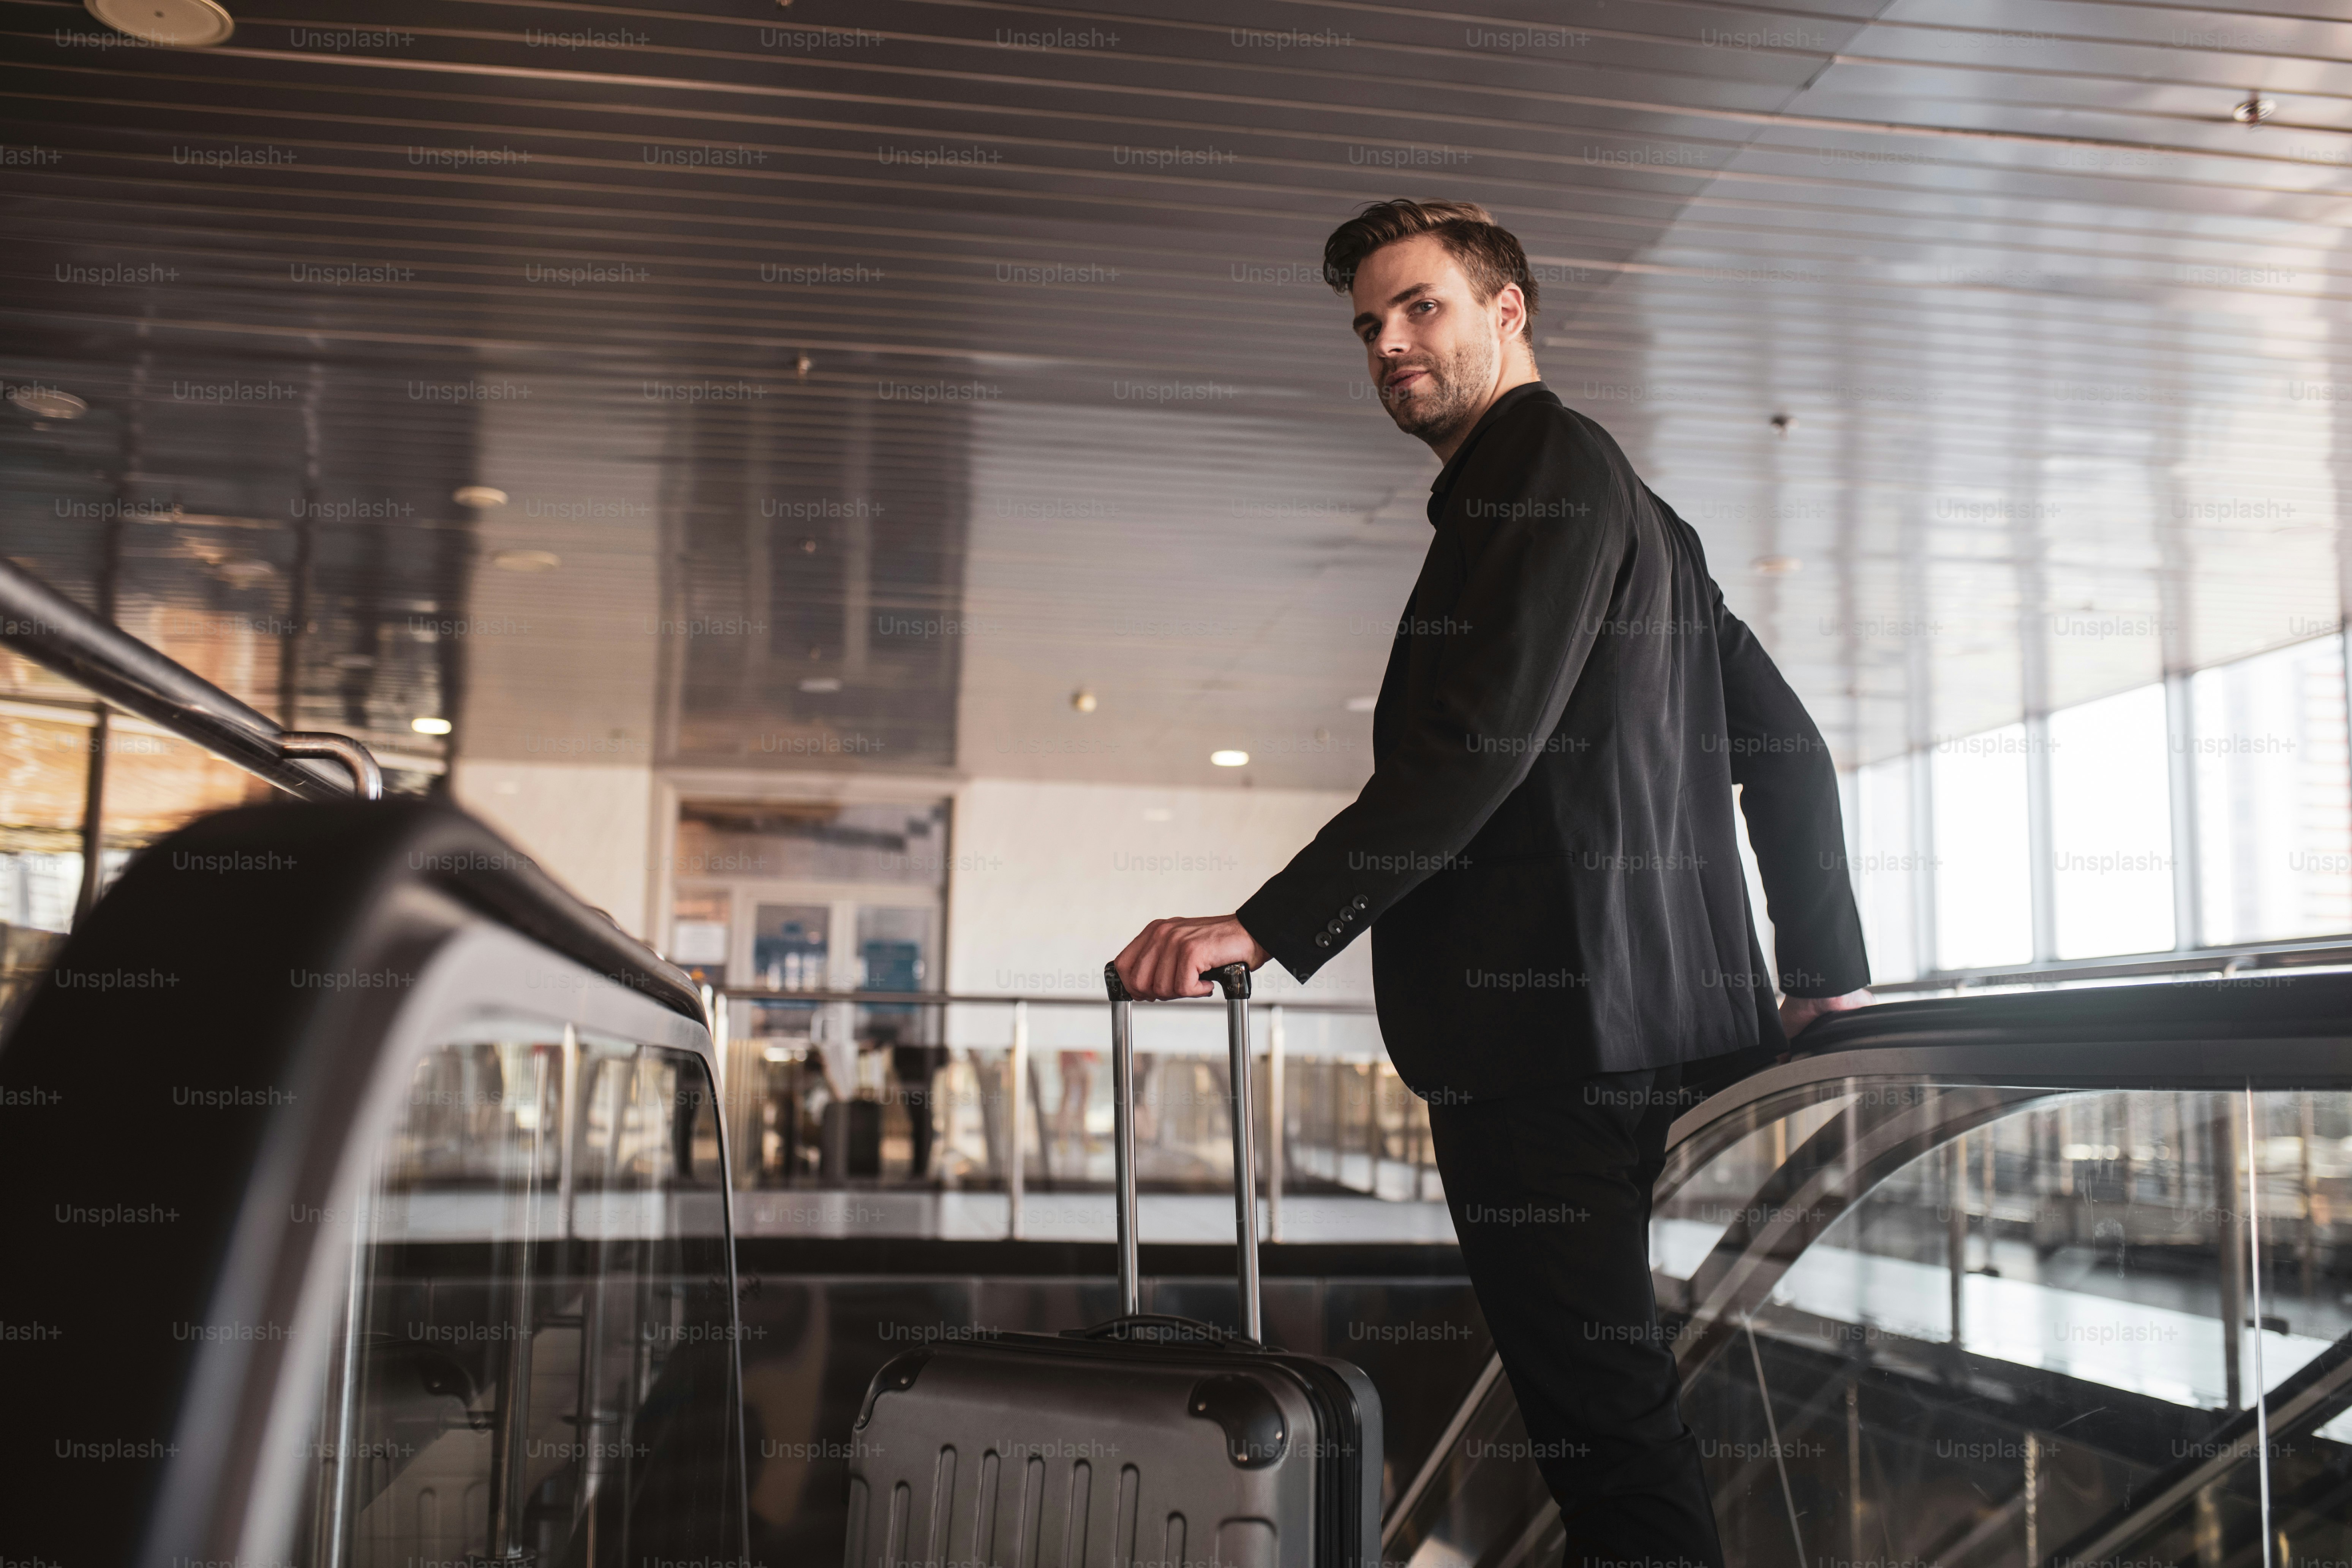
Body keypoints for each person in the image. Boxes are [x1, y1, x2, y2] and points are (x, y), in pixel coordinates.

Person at [1112, 199, 1873, 1568]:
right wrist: (1819, 965)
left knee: (1610, 1452)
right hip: (1667, 1044)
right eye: (1369, 327)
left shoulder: (1539, 476)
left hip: (1547, 1058)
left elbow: (1476, 748)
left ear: (1506, 311)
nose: (1391, 346)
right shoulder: (1642, 515)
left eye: (1422, 310)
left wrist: (1267, 928)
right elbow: (1791, 750)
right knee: (1622, 1428)